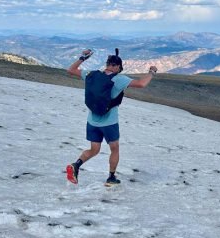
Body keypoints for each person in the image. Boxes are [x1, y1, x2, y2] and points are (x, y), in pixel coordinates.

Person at [65, 48, 158, 186]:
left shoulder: (92, 74)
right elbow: (142, 84)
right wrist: (151, 72)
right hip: (109, 122)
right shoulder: (119, 79)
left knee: (94, 149)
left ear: (107, 64)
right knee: (114, 149)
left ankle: (76, 165)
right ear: (118, 67)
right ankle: (111, 177)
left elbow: (71, 70)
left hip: (92, 121)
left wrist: (83, 58)